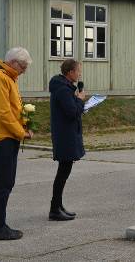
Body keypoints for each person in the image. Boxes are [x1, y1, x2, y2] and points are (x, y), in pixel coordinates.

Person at [0, 47, 33, 241]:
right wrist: (20, 132)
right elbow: (3, 112)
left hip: (7, 137)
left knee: (6, 183)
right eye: (23, 66)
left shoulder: (8, 78)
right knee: (2, 184)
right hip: (1, 138)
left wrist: (26, 124)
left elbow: (15, 108)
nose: (24, 70)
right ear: (12, 62)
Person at [48, 59, 85, 221]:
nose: (80, 74)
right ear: (70, 72)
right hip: (65, 136)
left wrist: (78, 101)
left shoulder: (65, 87)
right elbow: (71, 112)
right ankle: (54, 209)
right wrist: (80, 100)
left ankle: (58, 205)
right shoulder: (63, 89)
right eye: (78, 71)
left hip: (67, 133)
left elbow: (72, 110)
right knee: (63, 172)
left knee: (64, 171)